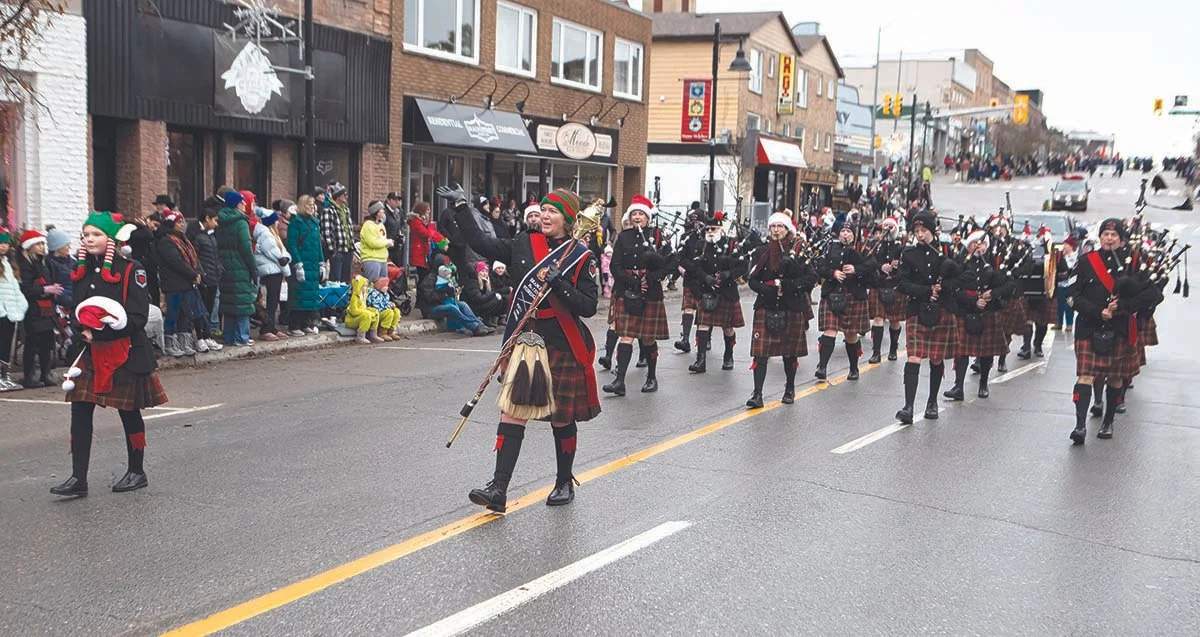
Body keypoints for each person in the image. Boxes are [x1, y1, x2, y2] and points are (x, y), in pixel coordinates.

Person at [443, 185, 600, 512]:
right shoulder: (523, 242)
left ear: (568, 219)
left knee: (560, 418)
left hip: (561, 342)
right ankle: (498, 489)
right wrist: (461, 207)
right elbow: (481, 243)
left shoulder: (581, 257)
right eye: (543, 209)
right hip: (528, 340)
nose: (544, 215)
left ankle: (563, 481)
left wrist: (558, 283)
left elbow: (588, 306)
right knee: (512, 411)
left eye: (553, 211)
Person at [51, 211, 168, 497]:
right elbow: (79, 310)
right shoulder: (80, 270)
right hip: (89, 352)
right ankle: (78, 478)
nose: (89, 239)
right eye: (86, 234)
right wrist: (81, 331)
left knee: (129, 412)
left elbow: (138, 316)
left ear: (110, 238)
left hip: (124, 351)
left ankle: (136, 471)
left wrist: (100, 334)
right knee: (79, 411)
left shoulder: (132, 269)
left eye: (96, 234)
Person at [1067, 219, 1159, 444]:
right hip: (1089, 327)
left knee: (1116, 378)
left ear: (1121, 238)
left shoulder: (1134, 264)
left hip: (1119, 329)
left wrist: (1125, 306)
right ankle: (1080, 426)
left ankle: (1108, 422)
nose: (1109, 238)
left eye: (1113, 234)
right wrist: (1099, 312)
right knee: (1084, 376)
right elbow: (1071, 296)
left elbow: (1153, 295)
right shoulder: (1085, 262)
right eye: (1105, 234)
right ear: (1100, 237)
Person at [744, 212, 817, 408]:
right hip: (766, 304)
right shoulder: (761, 252)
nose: (776, 230)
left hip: (791, 306)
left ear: (788, 230)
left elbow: (811, 278)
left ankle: (790, 388)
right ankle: (757, 394)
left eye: (780, 226)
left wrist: (789, 285)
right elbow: (751, 279)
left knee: (789, 353)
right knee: (760, 353)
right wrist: (766, 290)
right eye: (773, 226)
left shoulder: (799, 251)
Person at [604, 195, 673, 395]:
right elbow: (615, 265)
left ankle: (651, 378)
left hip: (649, 292)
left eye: (640, 214)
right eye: (634, 213)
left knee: (648, 339)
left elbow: (670, 262)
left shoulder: (657, 236)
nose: (637, 217)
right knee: (626, 336)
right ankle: (620, 381)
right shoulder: (623, 237)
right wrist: (630, 280)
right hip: (626, 290)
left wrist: (655, 271)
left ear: (647, 217)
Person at [894, 211, 959, 423]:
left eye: (924, 231)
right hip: (917, 310)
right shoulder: (909, 254)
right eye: (917, 231)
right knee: (913, 356)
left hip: (941, 310)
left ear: (932, 231)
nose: (920, 235)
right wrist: (926, 290)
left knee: (936, 357)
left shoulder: (947, 252)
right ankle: (909, 407)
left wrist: (947, 280)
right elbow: (902, 284)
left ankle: (932, 402)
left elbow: (961, 281)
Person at [945, 229, 1014, 401]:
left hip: (988, 311)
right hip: (966, 310)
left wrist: (992, 294)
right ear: (968, 247)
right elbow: (954, 288)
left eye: (982, 243)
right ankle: (958, 387)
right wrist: (973, 300)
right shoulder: (961, 263)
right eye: (975, 244)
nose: (979, 246)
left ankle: (983, 384)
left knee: (985, 353)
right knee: (961, 352)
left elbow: (1009, 285)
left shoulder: (994, 262)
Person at [813, 218, 875, 381]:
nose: (845, 234)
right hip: (832, 294)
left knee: (850, 335)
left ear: (854, 235)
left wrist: (856, 269)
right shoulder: (829, 248)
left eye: (848, 232)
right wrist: (832, 273)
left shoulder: (863, 249)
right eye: (842, 231)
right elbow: (820, 268)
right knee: (830, 331)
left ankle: (854, 368)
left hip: (853, 296)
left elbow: (873, 266)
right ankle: (822, 367)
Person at [682, 216, 744, 374]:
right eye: (707, 229)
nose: (710, 232)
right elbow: (696, 267)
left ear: (721, 229)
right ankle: (700, 360)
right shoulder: (701, 245)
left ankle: (728, 355)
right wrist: (706, 278)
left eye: (713, 229)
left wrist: (728, 274)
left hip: (726, 290)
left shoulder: (731, 244)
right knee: (702, 325)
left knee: (727, 327)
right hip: (707, 290)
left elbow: (743, 266)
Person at [17, 230, 63, 387]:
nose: (41, 247)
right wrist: (45, 289)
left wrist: (53, 289)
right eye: (38, 244)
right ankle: (29, 376)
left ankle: (45, 373)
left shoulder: (45, 262)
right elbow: (27, 288)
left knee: (47, 342)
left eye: (42, 243)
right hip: (33, 309)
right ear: (29, 247)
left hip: (47, 309)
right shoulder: (25, 264)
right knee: (32, 342)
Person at [155, 210, 204, 356]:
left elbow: (192, 257)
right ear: (171, 223)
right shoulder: (166, 241)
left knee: (186, 313)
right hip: (173, 283)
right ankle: (170, 341)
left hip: (186, 283)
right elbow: (176, 261)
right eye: (179, 222)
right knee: (173, 313)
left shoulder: (183, 239)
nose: (182, 225)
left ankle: (184, 340)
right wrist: (193, 274)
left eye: (183, 221)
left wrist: (198, 272)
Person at [216, 190, 257, 346]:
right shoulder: (241, 222)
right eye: (242, 202)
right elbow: (246, 248)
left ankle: (229, 337)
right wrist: (253, 269)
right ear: (237, 204)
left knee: (229, 302)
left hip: (225, 266)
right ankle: (242, 337)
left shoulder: (221, 221)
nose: (244, 204)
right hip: (240, 266)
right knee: (243, 302)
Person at [866, 216, 906, 364]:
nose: (888, 229)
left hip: (895, 286)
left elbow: (908, 268)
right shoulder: (875, 245)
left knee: (895, 320)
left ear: (896, 229)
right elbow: (869, 262)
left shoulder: (901, 247)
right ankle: (876, 353)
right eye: (885, 226)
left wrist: (898, 266)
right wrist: (880, 266)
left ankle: (893, 349)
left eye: (891, 226)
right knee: (878, 318)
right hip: (879, 285)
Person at [286, 194, 324, 336]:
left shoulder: (314, 223)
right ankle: (294, 325)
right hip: (302, 264)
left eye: (313, 204)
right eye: (308, 204)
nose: (312, 207)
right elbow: (292, 244)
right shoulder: (296, 223)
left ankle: (305, 323)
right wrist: (298, 263)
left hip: (313, 264)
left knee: (311, 296)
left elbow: (318, 245)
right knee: (299, 295)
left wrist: (322, 262)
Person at [253, 207, 292, 341]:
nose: (277, 223)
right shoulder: (266, 234)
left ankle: (272, 327)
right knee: (271, 302)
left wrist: (287, 258)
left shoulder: (273, 234)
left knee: (274, 301)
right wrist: (285, 265)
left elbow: (283, 251)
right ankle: (265, 329)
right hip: (270, 271)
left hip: (276, 270)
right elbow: (275, 253)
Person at [188, 209, 224, 351]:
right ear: (207, 219)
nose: (216, 224)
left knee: (209, 308)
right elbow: (194, 256)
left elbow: (215, 256)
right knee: (200, 309)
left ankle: (208, 335)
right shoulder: (195, 232)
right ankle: (200, 337)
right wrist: (201, 273)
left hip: (213, 276)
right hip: (203, 277)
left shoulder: (212, 236)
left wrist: (219, 269)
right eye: (214, 220)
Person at [0, 227, 29, 389]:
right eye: (0, 243)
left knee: (7, 344)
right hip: (2, 311)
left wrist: (20, 304)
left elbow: (14, 288)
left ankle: (5, 374)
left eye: (5, 243)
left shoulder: (8, 263)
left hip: (11, 311)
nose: (3, 247)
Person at [321, 183, 355, 283]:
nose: (346, 197)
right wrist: (333, 251)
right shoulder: (329, 210)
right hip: (337, 251)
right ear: (338, 196)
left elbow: (350, 229)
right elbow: (327, 232)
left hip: (348, 250)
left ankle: (344, 298)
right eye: (344, 195)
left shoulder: (346, 210)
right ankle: (336, 298)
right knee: (336, 280)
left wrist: (352, 248)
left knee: (346, 280)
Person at [461, 260, 506, 326]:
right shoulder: (472, 282)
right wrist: (493, 294)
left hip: (479, 303)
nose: (485, 273)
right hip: (472, 306)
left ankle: (489, 319)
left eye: (486, 271)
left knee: (501, 299)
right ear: (478, 272)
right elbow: (479, 298)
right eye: (482, 271)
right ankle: (485, 319)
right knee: (495, 300)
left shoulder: (485, 281)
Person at [407, 201, 439, 283]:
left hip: (424, 252)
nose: (429, 211)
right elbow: (427, 234)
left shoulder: (422, 222)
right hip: (419, 253)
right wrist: (431, 226)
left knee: (425, 275)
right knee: (423, 276)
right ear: (422, 211)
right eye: (427, 209)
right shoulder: (416, 222)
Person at [366, 276, 401, 341]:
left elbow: (386, 302)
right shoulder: (374, 293)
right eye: (384, 285)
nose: (386, 287)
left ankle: (390, 331)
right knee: (389, 312)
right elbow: (377, 305)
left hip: (383, 310)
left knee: (396, 311)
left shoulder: (385, 293)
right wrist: (389, 306)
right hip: (377, 312)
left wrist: (391, 304)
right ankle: (382, 332)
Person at [382, 191, 407, 266]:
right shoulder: (383, 213)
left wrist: (402, 234)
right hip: (387, 247)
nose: (397, 202)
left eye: (398, 200)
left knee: (398, 269)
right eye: (395, 200)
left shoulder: (399, 212)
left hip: (397, 246)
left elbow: (402, 225)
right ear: (388, 200)